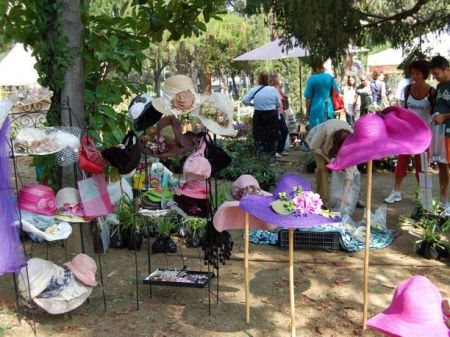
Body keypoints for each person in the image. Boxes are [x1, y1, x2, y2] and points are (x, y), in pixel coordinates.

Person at [384, 60, 435, 204]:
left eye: (417, 73)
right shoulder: (407, 89)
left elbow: (435, 112)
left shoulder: (432, 92)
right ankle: (396, 192)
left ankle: (421, 193)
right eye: (412, 73)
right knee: (401, 161)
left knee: (422, 165)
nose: (414, 76)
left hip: (424, 135)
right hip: (407, 133)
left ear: (424, 75)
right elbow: (404, 110)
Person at [306, 119, 357, 209]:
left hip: (332, 144)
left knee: (354, 171)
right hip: (316, 144)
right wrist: (328, 160)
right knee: (322, 168)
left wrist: (344, 194)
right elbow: (313, 147)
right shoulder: (326, 130)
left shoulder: (351, 142)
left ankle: (351, 196)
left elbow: (350, 170)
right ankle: (322, 201)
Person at [242, 71, 282, 155]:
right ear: (268, 79)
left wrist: (252, 104)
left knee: (259, 137)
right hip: (272, 116)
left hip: (259, 116)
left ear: (258, 79)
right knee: (271, 138)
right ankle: (271, 158)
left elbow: (244, 101)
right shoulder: (273, 89)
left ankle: (259, 157)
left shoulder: (254, 89)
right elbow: (279, 104)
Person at [429, 56, 450, 210]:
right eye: (433, 75)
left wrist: (445, 116)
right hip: (439, 131)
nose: (435, 77)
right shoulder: (440, 87)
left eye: (437, 73)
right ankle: (443, 198)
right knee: (442, 164)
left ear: (447, 69)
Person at [304, 61, 340, 129]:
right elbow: (337, 91)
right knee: (328, 129)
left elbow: (308, 97)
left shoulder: (312, 79)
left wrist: (307, 110)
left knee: (316, 131)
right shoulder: (330, 77)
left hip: (315, 109)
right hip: (329, 107)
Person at [269, 72, 289, 157]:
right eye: (277, 78)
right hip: (273, 112)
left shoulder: (277, 86)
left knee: (284, 131)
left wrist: (284, 96)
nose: (278, 80)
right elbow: (276, 98)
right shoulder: (269, 88)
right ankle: (274, 151)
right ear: (273, 79)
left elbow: (280, 95)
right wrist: (281, 97)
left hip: (280, 112)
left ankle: (280, 149)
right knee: (275, 132)